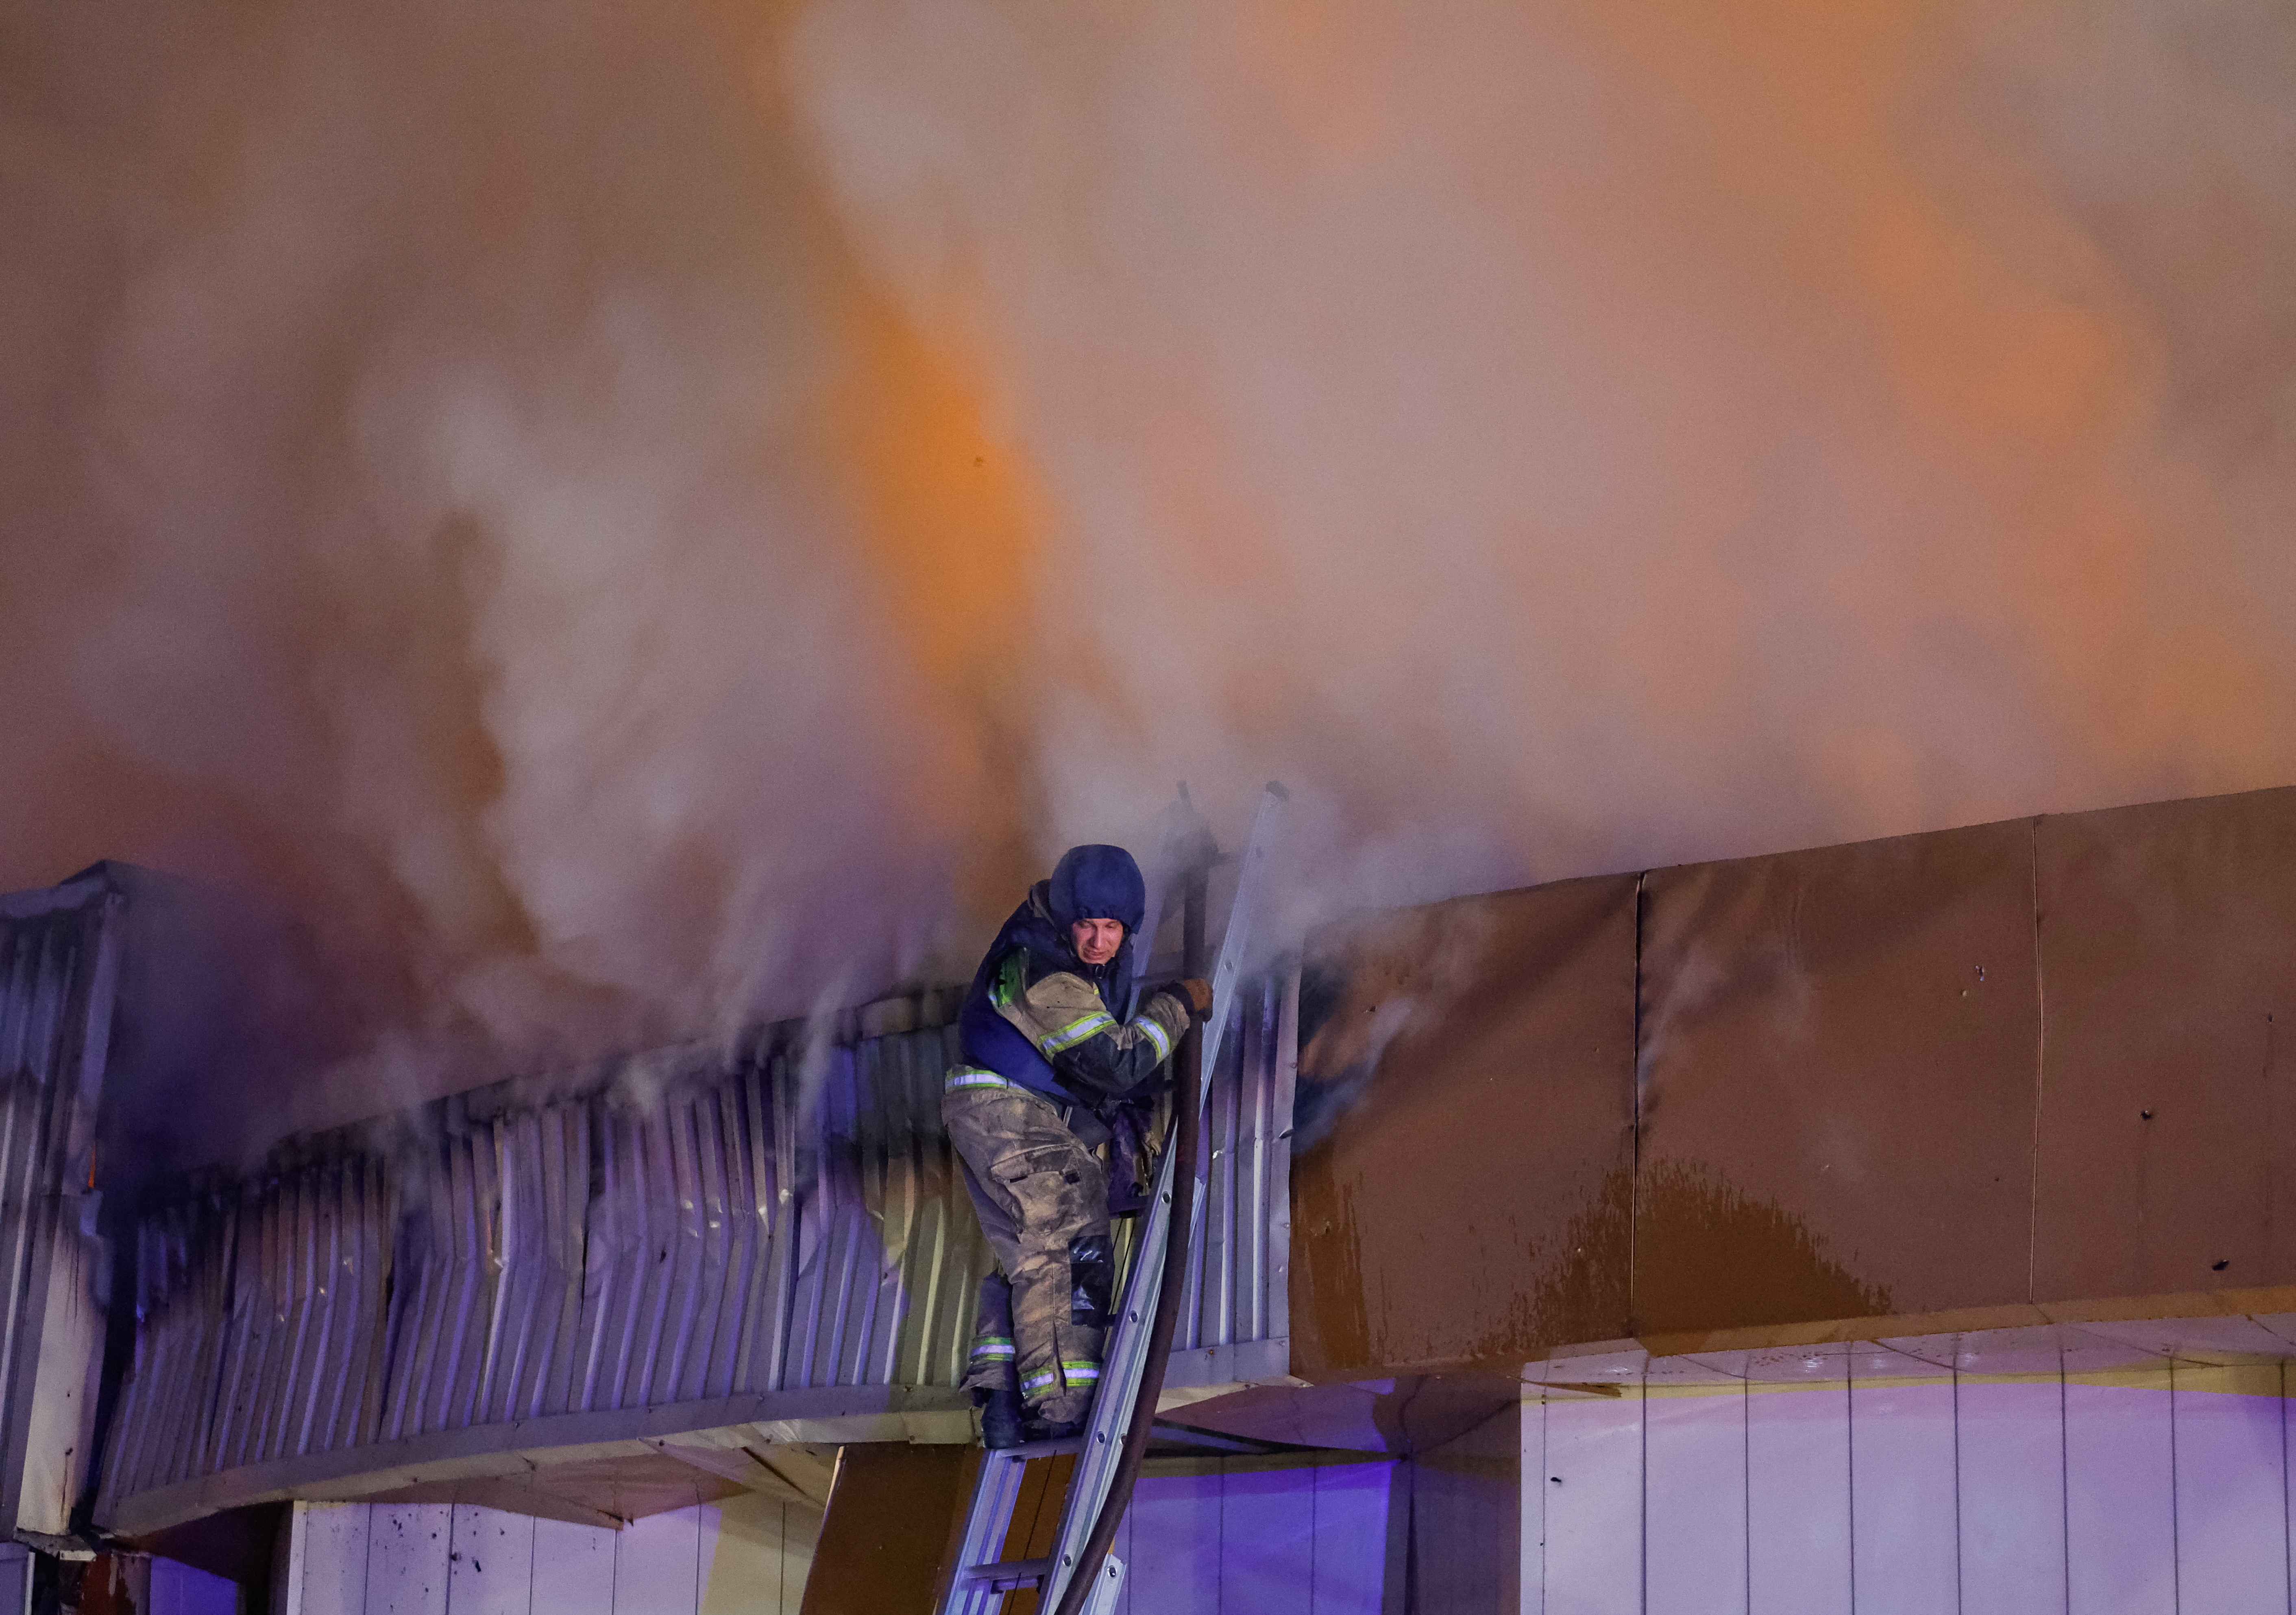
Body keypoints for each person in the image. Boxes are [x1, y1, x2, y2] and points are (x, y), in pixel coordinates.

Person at [943, 843, 1211, 1446]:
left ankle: (1002, 1402)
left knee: (1030, 1254)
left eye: (1111, 928)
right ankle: (1061, 1402)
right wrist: (1178, 1006)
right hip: (1009, 1109)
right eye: (1086, 926)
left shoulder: (1062, 955)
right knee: (1070, 1229)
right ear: (1065, 921)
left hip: (997, 1110)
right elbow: (1117, 1062)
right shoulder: (1042, 969)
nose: (1097, 941)